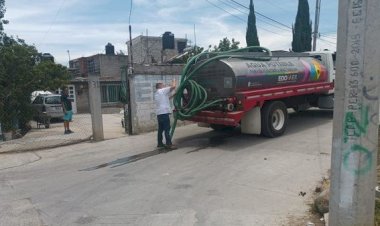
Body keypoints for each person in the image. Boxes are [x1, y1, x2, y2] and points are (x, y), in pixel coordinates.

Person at [155, 79, 177, 150]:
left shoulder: (157, 93)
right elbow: (173, 87)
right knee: (167, 129)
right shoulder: (162, 90)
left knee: (160, 129)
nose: (164, 85)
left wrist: (174, 95)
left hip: (159, 114)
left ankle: (160, 143)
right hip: (164, 113)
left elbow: (167, 98)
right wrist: (174, 81)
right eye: (163, 84)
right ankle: (169, 144)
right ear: (160, 85)